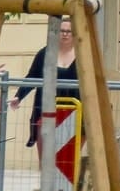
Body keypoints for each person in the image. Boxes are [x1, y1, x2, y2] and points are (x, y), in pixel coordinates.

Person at [14, 18, 79, 147]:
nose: (65, 34)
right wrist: (19, 96)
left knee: (69, 159)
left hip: (74, 111)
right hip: (46, 109)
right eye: (61, 31)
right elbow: (32, 77)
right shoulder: (44, 54)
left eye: (69, 31)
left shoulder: (83, 55)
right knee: (45, 156)